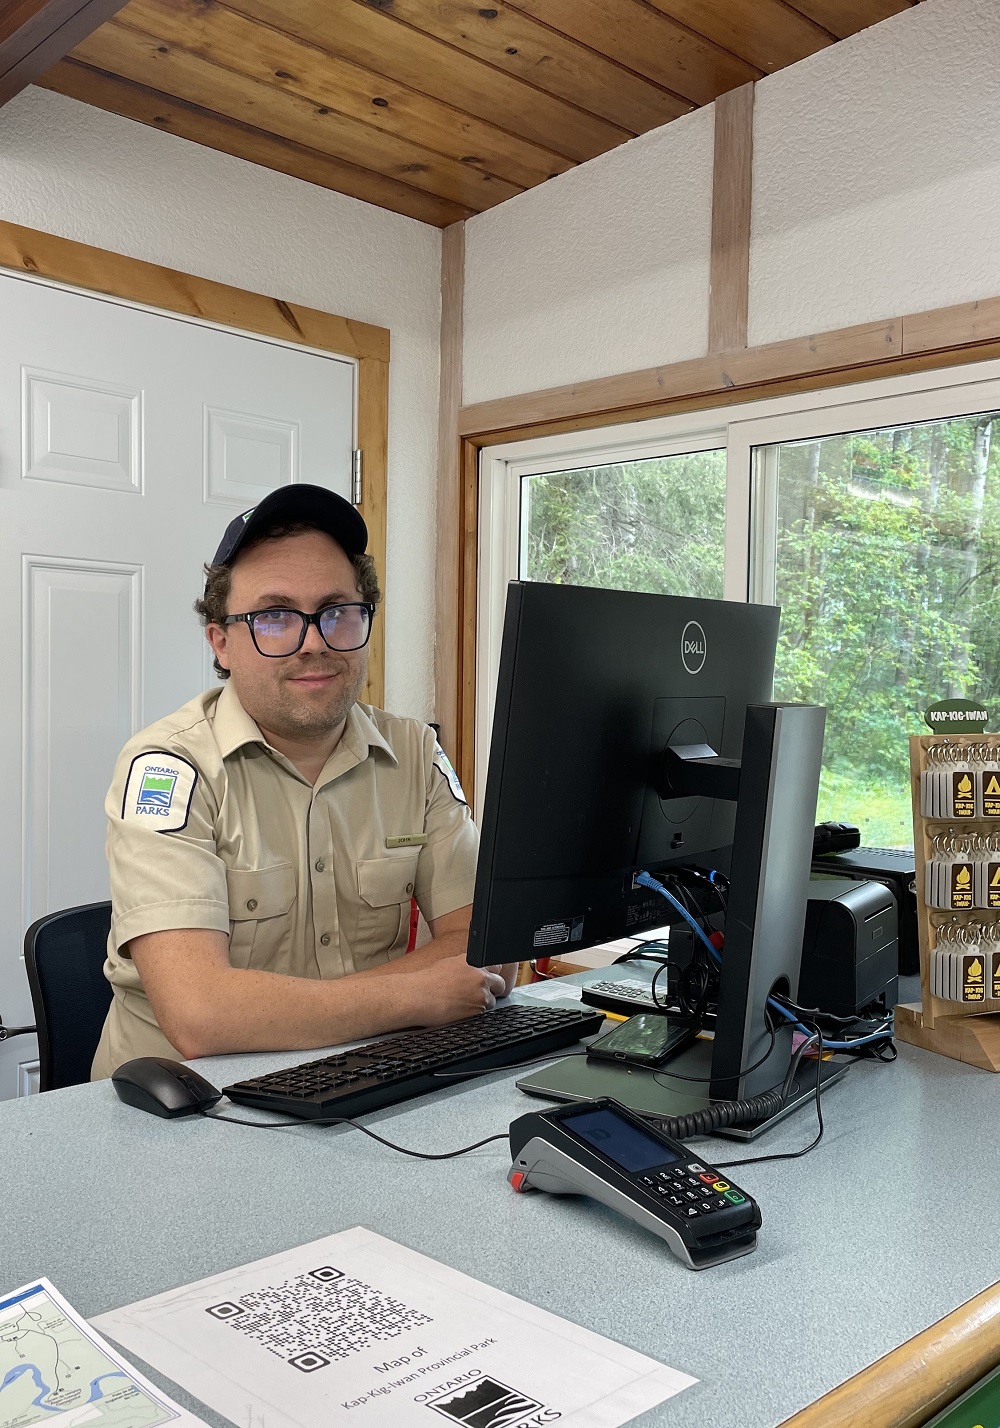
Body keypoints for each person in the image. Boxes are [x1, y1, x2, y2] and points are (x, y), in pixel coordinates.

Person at [91, 484, 514, 1080]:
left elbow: (490, 950)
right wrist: (414, 994)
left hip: (363, 1082)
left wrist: (289, 1010)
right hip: (189, 1113)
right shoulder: (167, 769)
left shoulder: (416, 753)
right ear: (221, 641)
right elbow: (202, 1015)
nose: (314, 642)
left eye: (338, 611)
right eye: (274, 617)